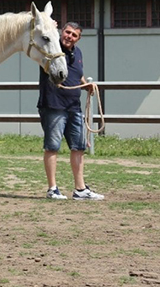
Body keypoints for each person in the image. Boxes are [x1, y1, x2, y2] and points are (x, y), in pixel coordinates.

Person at [37, 21, 104, 201]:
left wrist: (86, 84)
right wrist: (48, 23)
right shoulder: (51, 47)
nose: (69, 37)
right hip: (53, 105)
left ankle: (80, 189)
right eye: (67, 32)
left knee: (79, 146)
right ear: (61, 32)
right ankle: (52, 188)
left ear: (78, 38)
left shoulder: (78, 53)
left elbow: (77, 74)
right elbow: (41, 34)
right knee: (52, 146)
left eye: (74, 35)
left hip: (74, 106)